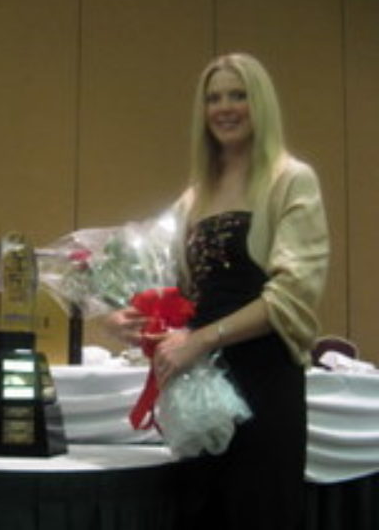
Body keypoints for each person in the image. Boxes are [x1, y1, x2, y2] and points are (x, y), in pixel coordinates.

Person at [106, 53, 329, 530]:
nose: (224, 107)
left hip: (265, 383)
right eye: (213, 97)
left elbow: (291, 297)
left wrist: (202, 340)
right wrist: (132, 320)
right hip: (200, 390)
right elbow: (180, 293)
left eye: (238, 94)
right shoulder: (193, 196)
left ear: (261, 103)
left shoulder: (292, 180)